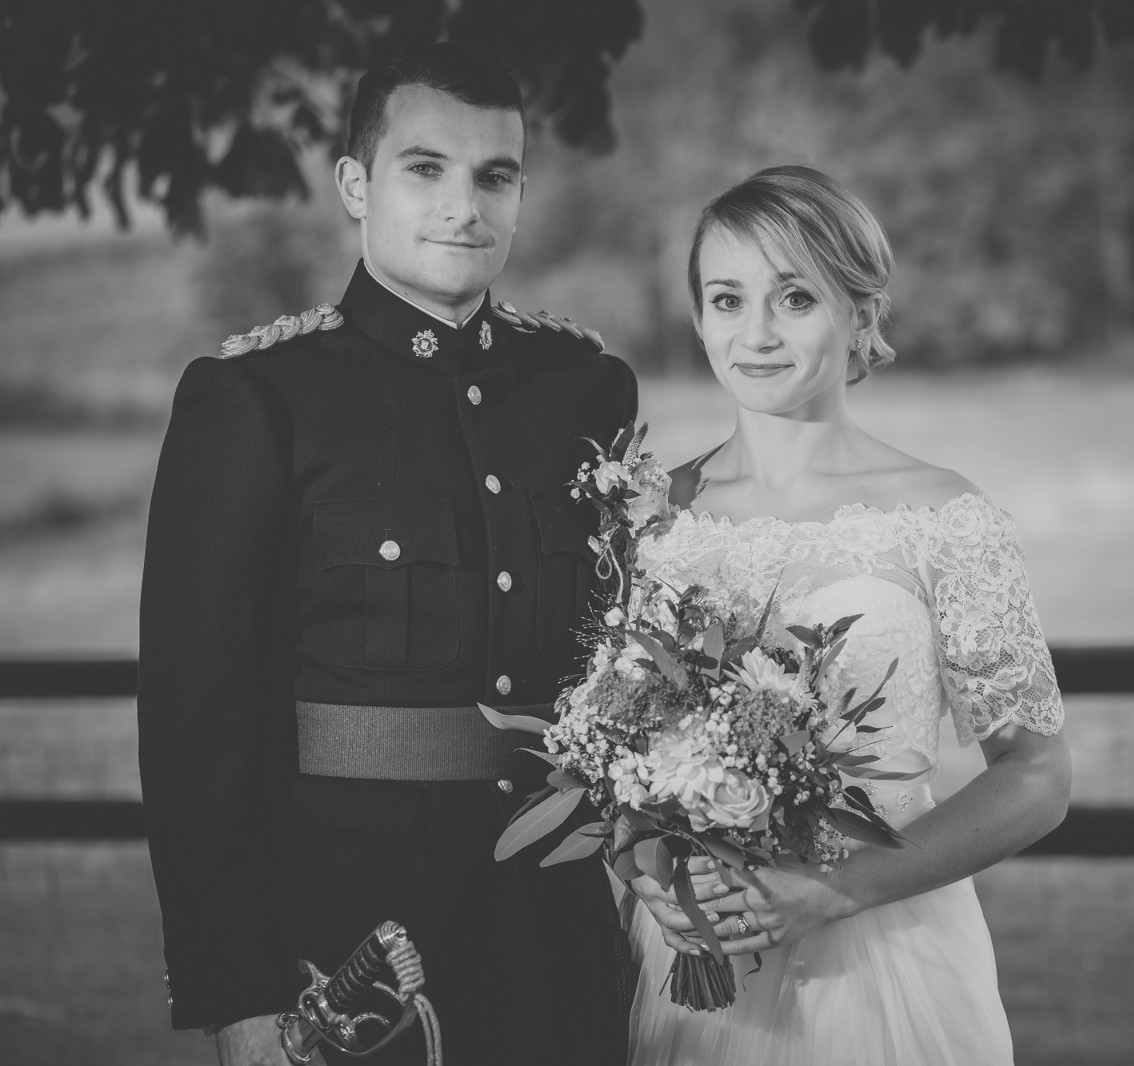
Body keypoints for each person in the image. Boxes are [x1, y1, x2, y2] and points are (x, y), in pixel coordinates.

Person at [138, 44, 633, 1065]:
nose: (465, 206)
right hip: (352, 940)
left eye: (495, 175)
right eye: (426, 168)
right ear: (356, 185)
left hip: (558, 928)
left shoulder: (584, 390)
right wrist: (240, 994)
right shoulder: (258, 398)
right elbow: (198, 728)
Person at [622, 165, 1073, 1064]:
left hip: (889, 962)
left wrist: (838, 889)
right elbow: (620, 751)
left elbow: (1037, 777)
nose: (756, 334)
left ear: (860, 313)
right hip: (703, 974)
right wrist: (644, 867)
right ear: (698, 316)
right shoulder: (651, 520)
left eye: (795, 298)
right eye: (727, 299)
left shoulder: (944, 518)